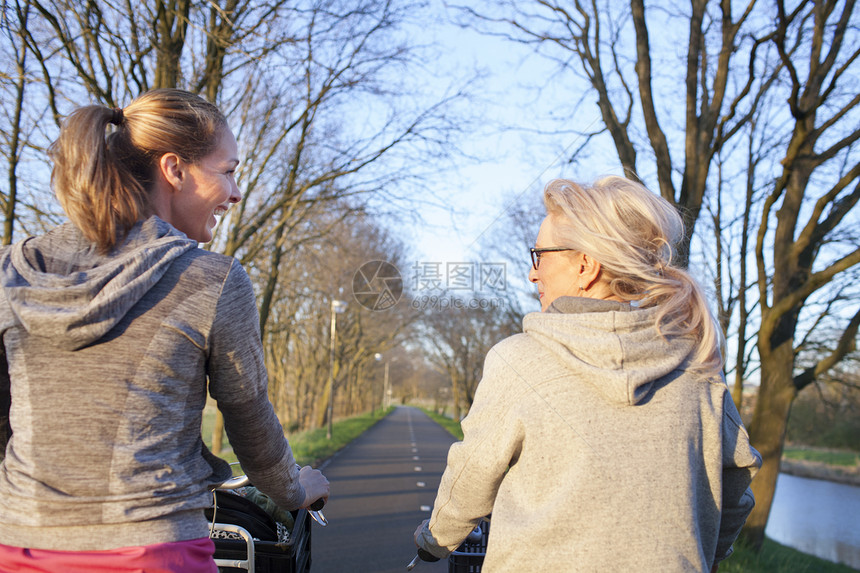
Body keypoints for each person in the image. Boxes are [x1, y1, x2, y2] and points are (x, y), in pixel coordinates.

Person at [0, 89, 329, 572]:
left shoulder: (16, 272)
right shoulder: (212, 279)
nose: (236, 193)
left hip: (21, 547)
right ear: (174, 170)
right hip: (152, 550)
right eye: (228, 171)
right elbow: (250, 421)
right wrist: (297, 489)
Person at [414, 176, 761, 572]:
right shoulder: (696, 365)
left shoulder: (519, 361)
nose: (533, 273)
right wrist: (705, 551)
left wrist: (434, 540)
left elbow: (473, 475)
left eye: (539, 255)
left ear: (585, 265)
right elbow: (737, 478)